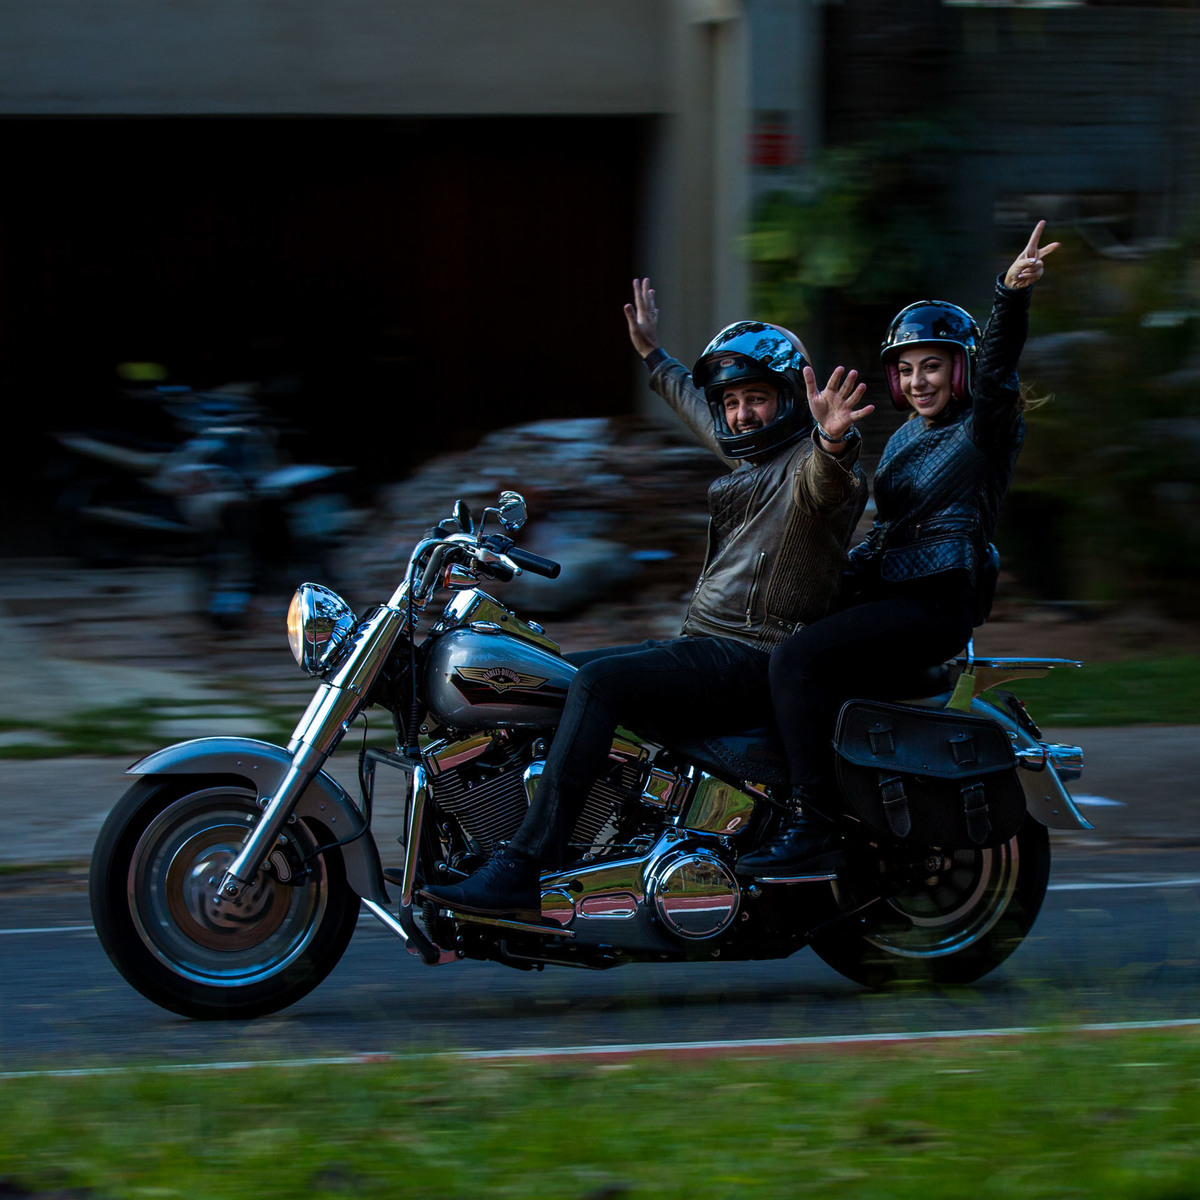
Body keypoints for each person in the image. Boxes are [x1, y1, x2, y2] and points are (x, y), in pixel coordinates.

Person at [421, 278, 873, 921]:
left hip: (752, 652)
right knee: (550, 675)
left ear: (792, 404)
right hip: (706, 644)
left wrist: (833, 442)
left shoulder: (807, 468)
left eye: (758, 400)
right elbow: (700, 409)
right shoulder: (756, 458)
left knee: (601, 684)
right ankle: (532, 839)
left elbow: (827, 485)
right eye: (734, 402)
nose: (741, 414)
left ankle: (523, 868)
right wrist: (654, 357)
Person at [737, 221, 1060, 880]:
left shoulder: (985, 429)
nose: (918, 381)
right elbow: (884, 530)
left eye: (933, 365)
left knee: (798, 661)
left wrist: (1010, 295)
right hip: (889, 589)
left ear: (961, 368)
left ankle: (813, 823)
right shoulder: (910, 435)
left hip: (933, 601)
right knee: (774, 635)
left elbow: (999, 375)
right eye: (907, 369)